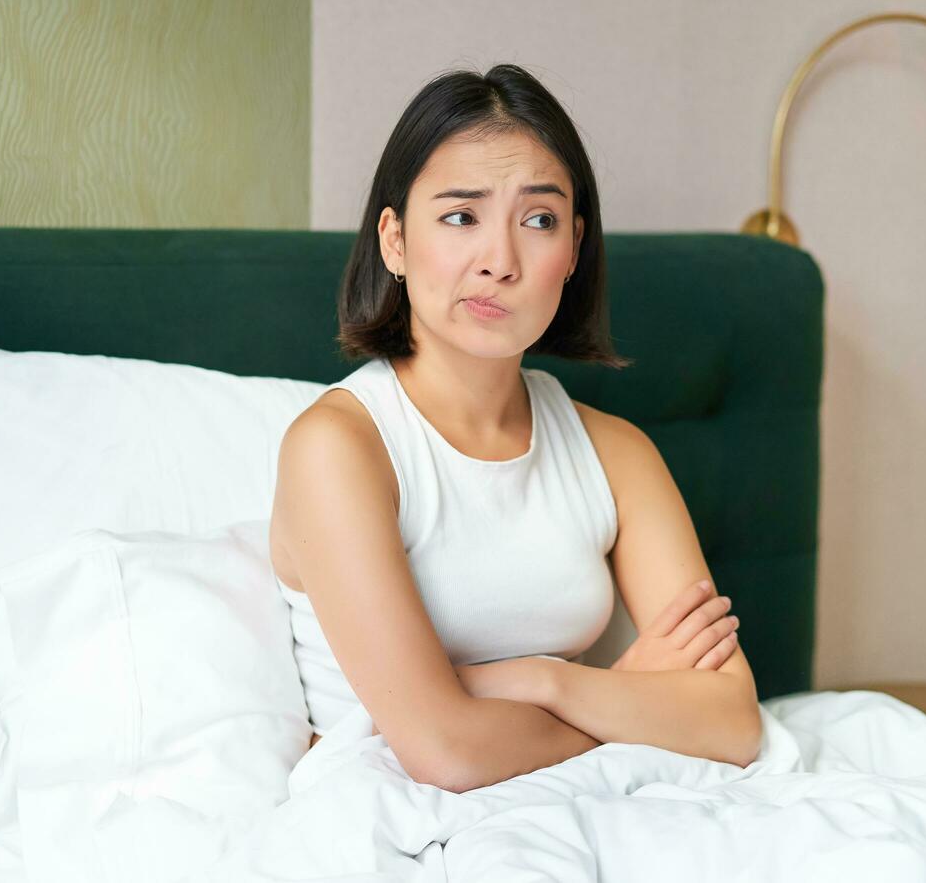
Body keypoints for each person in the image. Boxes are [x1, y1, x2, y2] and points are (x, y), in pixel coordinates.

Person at [268, 64, 761, 793]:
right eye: (462, 217)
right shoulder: (341, 448)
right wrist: (630, 696)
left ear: (573, 251)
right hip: (389, 810)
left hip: (574, 804)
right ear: (395, 241)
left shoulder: (616, 452)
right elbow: (445, 754)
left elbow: (732, 721)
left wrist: (545, 682)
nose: (500, 262)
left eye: (538, 220)